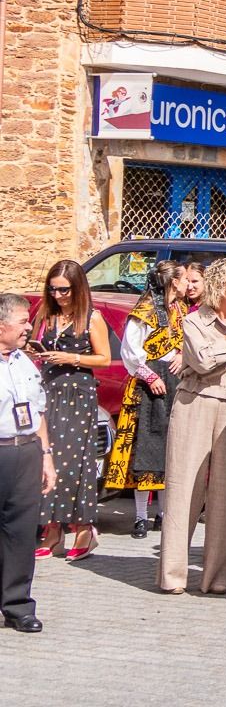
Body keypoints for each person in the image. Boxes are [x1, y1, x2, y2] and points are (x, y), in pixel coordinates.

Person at [160, 258, 226, 595]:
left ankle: (219, 576)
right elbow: (203, 362)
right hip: (196, 404)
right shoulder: (195, 322)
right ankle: (173, 577)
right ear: (221, 286)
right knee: (184, 489)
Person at [32, 261, 109, 562]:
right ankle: (52, 531)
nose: (58, 295)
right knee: (47, 458)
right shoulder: (47, 315)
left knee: (74, 462)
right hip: (50, 390)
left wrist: (71, 357)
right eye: (53, 289)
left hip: (78, 394)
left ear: (77, 288)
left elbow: (103, 358)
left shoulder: (92, 318)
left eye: (64, 289)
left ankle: (84, 529)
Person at [105, 259, 188, 539]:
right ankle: (141, 516)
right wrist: (149, 376)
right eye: (185, 279)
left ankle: (164, 514)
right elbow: (131, 350)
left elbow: (187, 340)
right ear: (174, 282)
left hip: (174, 381)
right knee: (145, 449)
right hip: (147, 384)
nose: (188, 283)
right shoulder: (145, 312)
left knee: (168, 448)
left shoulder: (180, 309)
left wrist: (181, 354)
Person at [0, 293, 57, 633]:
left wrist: (46, 457)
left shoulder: (24, 361)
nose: (29, 327)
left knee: (21, 533)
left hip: (26, 452)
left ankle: (18, 605)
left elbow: (38, 412)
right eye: (23, 321)